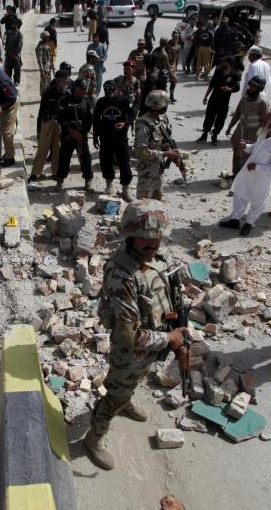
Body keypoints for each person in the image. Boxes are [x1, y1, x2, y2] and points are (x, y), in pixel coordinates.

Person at [84, 199, 188, 470]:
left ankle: (127, 401)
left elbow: (163, 299)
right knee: (114, 395)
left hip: (152, 345)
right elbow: (131, 337)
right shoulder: (122, 274)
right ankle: (93, 437)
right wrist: (170, 339)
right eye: (145, 240)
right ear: (130, 236)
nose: (152, 246)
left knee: (135, 382)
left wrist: (174, 327)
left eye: (157, 239)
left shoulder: (156, 259)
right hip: (130, 351)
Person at [220, 111, 271, 236]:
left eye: (264, 120)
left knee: (258, 202)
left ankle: (249, 223)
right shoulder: (263, 133)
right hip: (248, 173)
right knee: (240, 194)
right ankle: (235, 220)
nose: (261, 122)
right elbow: (256, 147)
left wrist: (257, 167)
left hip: (262, 179)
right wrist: (246, 147)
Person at [134, 90, 183, 201]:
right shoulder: (143, 123)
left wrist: (173, 155)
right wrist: (166, 153)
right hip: (147, 168)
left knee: (157, 195)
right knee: (143, 201)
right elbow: (141, 151)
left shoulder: (163, 118)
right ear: (162, 106)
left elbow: (165, 140)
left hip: (158, 166)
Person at [94, 80, 133, 200]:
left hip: (121, 137)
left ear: (116, 90)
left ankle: (125, 189)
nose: (109, 94)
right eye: (106, 91)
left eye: (111, 91)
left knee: (125, 162)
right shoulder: (101, 102)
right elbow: (96, 119)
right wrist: (95, 136)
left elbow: (132, 115)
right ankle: (109, 185)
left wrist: (124, 122)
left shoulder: (123, 101)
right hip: (105, 137)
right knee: (106, 161)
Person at [225, 76, 270, 175]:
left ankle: (243, 178)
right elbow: (237, 114)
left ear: (259, 89)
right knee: (236, 155)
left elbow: (265, 123)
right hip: (240, 132)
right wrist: (229, 127)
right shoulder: (244, 99)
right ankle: (235, 176)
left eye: (254, 86)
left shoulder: (262, 104)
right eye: (250, 85)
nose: (250, 88)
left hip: (253, 135)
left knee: (247, 157)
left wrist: (264, 139)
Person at [54, 78, 93, 193]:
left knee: (86, 159)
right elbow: (60, 118)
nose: (83, 92)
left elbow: (89, 120)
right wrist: (71, 131)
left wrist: (81, 133)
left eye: (85, 90)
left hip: (81, 137)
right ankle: (59, 181)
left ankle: (88, 180)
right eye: (81, 89)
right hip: (68, 136)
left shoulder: (86, 102)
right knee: (64, 160)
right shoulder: (65, 101)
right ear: (75, 88)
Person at [30, 70, 69, 183]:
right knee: (43, 148)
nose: (67, 81)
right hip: (48, 122)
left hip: (60, 124)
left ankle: (55, 173)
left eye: (67, 78)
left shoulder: (67, 94)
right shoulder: (48, 92)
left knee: (58, 149)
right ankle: (35, 173)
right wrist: (39, 128)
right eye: (64, 78)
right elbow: (41, 111)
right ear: (57, 79)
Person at [197, 57, 240, 146]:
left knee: (220, 119)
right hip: (213, 99)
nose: (221, 64)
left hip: (224, 102)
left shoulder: (234, 75)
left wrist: (229, 89)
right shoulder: (218, 72)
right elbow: (211, 85)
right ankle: (204, 134)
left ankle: (215, 136)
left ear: (229, 63)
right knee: (209, 117)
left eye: (224, 62)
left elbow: (237, 88)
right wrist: (205, 97)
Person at [36, 31, 54, 97]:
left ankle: (47, 96)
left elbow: (50, 58)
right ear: (43, 38)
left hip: (48, 67)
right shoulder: (40, 47)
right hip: (44, 68)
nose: (48, 38)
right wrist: (41, 70)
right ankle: (43, 96)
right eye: (46, 37)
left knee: (48, 83)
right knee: (44, 83)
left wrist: (52, 66)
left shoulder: (46, 46)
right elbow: (39, 60)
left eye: (48, 37)